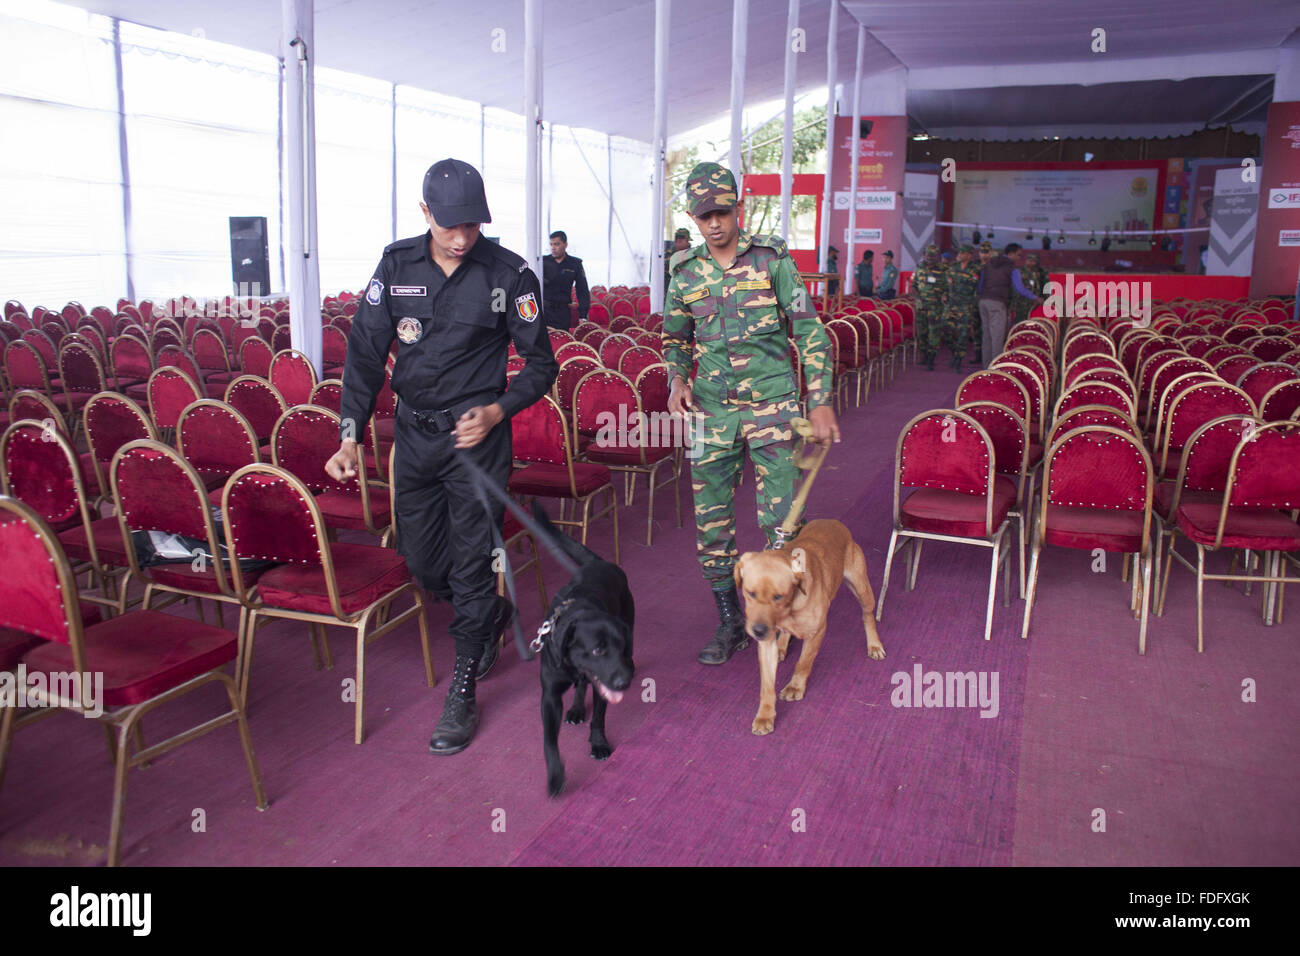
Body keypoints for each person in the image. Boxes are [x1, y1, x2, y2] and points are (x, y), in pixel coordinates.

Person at [328, 158, 558, 756]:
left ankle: (463, 687)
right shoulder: (396, 264)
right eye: (450, 225)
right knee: (424, 565)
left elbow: (541, 364)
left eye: (473, 226)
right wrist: (350, 432)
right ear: (425, 213)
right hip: (415, 439)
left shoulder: (510, 275)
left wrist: (498, 411)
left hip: (477, 442)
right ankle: (488, 617)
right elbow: (363, 352)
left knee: (470, 558)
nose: (461, 239)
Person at [663, 162, 837, 666]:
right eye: (703, 216)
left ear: (738, 207)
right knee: (712, 523)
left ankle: (786, 611)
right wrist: (677, 378)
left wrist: (820, 398)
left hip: (773, 407)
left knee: (785, 518)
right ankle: (729, 621)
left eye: (721, 211)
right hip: (711, 413)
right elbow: (675, 338)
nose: (714, 223)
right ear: (693, 219)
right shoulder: (684, 271)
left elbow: (808, 330)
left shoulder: (771, 260)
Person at [976, 241, 1040, 366]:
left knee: (987, 335)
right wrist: (1035, 298)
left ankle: (986, 365)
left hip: (983, 301)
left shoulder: (988, 264)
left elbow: (980, 286)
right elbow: (1019, 288)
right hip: (997, 302)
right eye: (1018, 255)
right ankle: (996, 367)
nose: (1019, 258)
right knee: (997, 336)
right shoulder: (1012, 268)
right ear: (1011, 254)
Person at [941, 244, 980, 370]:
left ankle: (958, 359)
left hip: (966, 306)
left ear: (969, 255)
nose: (959, 255)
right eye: (959, 253)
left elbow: (975, 288)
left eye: (962, 253)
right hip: (951, 305)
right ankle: (954, 353)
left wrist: (973, 305)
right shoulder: (952, 267)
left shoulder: (975, 269)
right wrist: (945, 294)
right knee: (946, 329)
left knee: (963, 334)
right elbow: (947, 284)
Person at [542, 230, 589, 330]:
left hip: (562, 312)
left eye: (556, 244)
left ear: (565, 244)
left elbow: (582, 290)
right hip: (544, 311)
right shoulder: (542, 262)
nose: (553, 248)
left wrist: (583, 315)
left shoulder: (575, 263)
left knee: (561, 341)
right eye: (551, 244)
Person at [912, 243, 948, 371]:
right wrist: (917, 298)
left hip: (935, 308)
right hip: (921, 307)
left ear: (936, 256)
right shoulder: (919, 268)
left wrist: (944, 296)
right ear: (924, 255)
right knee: (922, 332)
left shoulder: (943, 270)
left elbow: (948, 288)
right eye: (927, 255)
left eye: (932, 255)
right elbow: (914, 286)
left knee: (934, 333)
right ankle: (924, 355)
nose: (929, 257)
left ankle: (932, 358)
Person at [1012, 251, 1049, 328]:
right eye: (1030, 260)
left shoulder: (1039, 273)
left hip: (1034, 305)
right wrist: (1035, 298)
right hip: (1021, 305)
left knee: (1032, 326)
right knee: (1019, 325)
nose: (1031, 263)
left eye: (1034, 261)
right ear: (1026, 261)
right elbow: (1019, 288)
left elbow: (1044, 286)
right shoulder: (1019, 271)